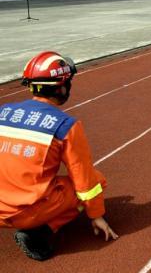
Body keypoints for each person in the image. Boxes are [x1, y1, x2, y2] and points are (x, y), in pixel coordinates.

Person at [0, 51, 117, 261]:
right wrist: (96, 215)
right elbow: (85, 181)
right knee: (96, 180)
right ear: (62, 86)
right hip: (24, 213)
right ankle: (39, 233)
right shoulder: (65, 126)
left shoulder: (4, 112)